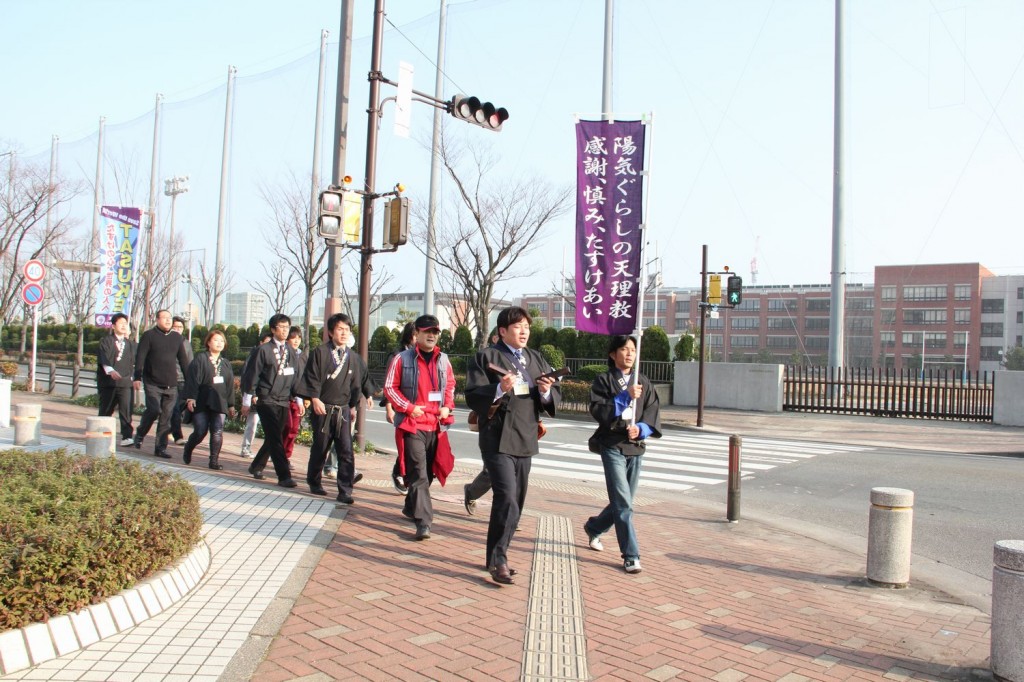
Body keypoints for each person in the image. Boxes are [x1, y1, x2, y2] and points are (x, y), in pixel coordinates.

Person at [465, 307, 560, 584]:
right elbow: (472, 395)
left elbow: (552, 397)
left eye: (526, 326)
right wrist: (499, 389)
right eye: (517, 326)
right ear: (502, 331)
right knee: (505, 496)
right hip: (496, 436)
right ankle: (499, 560)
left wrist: (545, 390)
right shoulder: (486, 357)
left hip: (526, 435)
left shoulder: (535, 358)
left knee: (516, 502)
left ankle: (496, 554)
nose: (524, 331)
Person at [582, 335, 662, 574]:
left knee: (622, 501)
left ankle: (594, 527)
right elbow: (599, 410)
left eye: (633, 350)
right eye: (624, 349)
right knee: (624, 503)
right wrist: (625, 395)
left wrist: (642, 429)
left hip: (635, 447)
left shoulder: (643, 382)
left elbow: (652, 412)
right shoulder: (604, 380)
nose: (629, 354)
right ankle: (631, 555)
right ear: (612, 354)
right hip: (612, 446)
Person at [383, 314, 456, 540]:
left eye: (435, 332)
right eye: (427, 331)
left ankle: (410, 505)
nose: (432, 335)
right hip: (412, 424)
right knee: (418, 473)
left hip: (436, 425)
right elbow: (389, 388)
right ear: (417, 334)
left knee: (431, 471)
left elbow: (450, 386)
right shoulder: (402, 358)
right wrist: (407, 407)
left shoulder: (444, 360)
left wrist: (448, 406)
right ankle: (424, 522)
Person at [293, 313, 373, 502]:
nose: (344, 333)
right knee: (321, 447)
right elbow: (311, 377)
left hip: (343, 410)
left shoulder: (353, 357)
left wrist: (367, 394)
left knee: (346, 449)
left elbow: (362, 378)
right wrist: (314, 398)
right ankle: (314, 481)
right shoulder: (320, 353)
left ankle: (345, 490)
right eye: (339, 329)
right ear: (330, 332)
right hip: (323, 408)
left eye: (347, 330)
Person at [241, 313, 304, 488]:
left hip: (284, 399)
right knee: (275, 437)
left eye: (287, 327)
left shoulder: (291, 352)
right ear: (273, 329)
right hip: (266, 399)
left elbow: (296, 378)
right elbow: (252, 375)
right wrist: (247, 399)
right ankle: (284, 475)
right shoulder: (263, 350)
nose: (284, 331)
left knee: (274, 436)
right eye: (281, 327)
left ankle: (256, 466)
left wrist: (298, 399)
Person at [132, 309, 191, 458]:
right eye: (164, 318)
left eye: (169, 318)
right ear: (157, 320)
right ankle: (140, 433)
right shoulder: (149, 336)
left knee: (166, 417)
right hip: (152, 382)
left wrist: (191, 381)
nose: (168, 320)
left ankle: (160, 448)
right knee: (153, 410)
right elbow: (140, 357)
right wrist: (137, 377)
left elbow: (184, 361)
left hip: (171, 384)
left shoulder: (177, 338)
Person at [182, 329, 236, 470]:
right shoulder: (201, 359)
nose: (219, 343)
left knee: (217, 430)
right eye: (215, 340)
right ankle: (189, 447)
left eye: (221, 341)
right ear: (208, 342)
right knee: (200, 430)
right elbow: (193, 379)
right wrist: (190, 398)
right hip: (202, 400)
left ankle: (214, 461)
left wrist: (231, 405)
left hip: (219, 401)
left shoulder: (225, 363)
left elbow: (229, 385)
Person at [463, 327, 499, 514]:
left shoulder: (521, 360)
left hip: (517, 430)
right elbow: (475, 392)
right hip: (492, 426)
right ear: (496, 336)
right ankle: (471, 491)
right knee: (491, 472)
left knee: (513, 475)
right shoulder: (485, 358)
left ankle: (509, 513)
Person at [380, 322, 415, 494]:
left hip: (417, 408)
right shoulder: (398, 355)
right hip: (400, 406)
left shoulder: (422, 355)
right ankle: (398, 473)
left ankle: (404, 474)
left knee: (413, 446)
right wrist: (388, 407)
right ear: (410, 336)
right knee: (406, 444)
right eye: (416, 335)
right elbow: (389, 384)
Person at [96, 313, 136, 446]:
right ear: (113, 326)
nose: (124, 326)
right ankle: (100, 433)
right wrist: (110, 371)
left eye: (126, 323)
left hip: (125, 383)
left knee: (126, 410)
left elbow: (139, 359)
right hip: (109, 383)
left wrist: (137, 377)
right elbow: (103, 357)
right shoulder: (106, 341)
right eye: (121, 323)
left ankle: (127, 437)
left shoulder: (130, 344)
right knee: (106, 410)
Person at [239, 331, 273, 458]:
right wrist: (250, 395)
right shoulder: (254, 356)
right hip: (255, 396)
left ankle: (268, 452)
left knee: (269, 427)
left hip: (269, 398)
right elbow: (248, 378)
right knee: (252, 424)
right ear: (261, 342)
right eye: (267, 342)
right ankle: (246, 448)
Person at [282, 326, 306, 470]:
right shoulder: (282, 354)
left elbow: (303, 378)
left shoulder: (302, 356)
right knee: (286, 426)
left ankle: (286, 456)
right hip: (282, 398)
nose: (296, 341)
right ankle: (279, 455)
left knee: (294, 429)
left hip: (297, 398)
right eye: (293, 338)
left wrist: (303, 399)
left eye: (298, 338)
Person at [169, 316, 194, 446]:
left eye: (180, 327)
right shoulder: (166, 341)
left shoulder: (186, 343)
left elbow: (190, 362)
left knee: (178, 408)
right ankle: (177, 435)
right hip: (170, 380)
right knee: (175, 409)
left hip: (183, 380)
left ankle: (167, 428)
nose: (178, 329)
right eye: (175, 327)